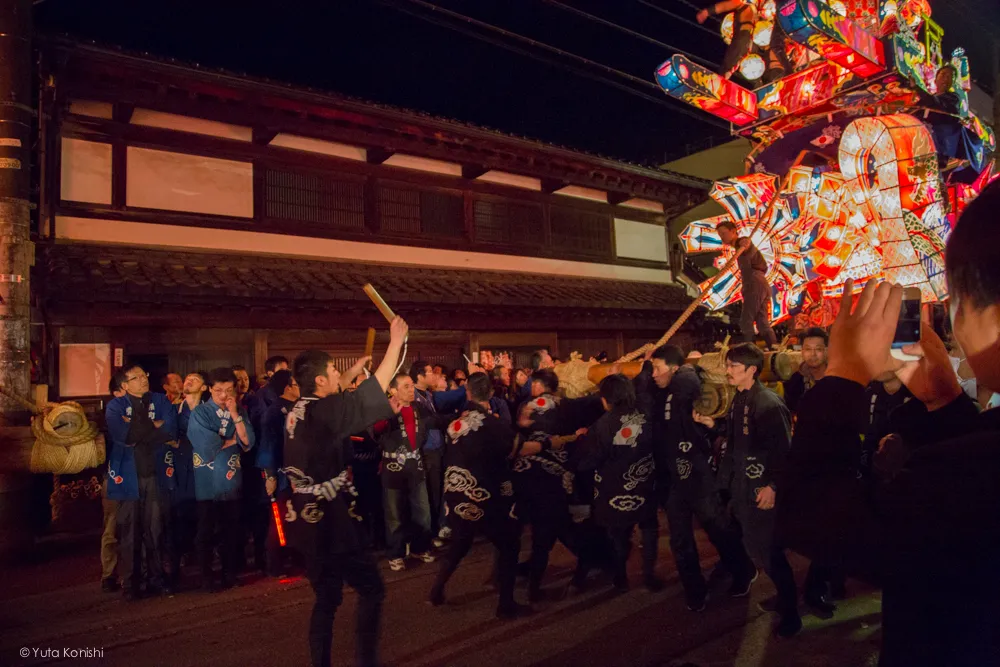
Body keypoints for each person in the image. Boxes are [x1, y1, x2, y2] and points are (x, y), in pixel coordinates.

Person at [778, 179, 1000, 666]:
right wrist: (944, 403)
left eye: (958, 303)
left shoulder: (970, 478)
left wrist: (844, 374)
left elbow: (809, 512)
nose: (955, 326)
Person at [281, 317, 408, 667]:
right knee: (372, 589)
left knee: (326, 597)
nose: (339, 377)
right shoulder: (325, 410)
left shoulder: (300, 409)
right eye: (333, 373)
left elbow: (339, 397)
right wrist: (395, 342)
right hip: (332, 520)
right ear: (320, 380)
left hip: (306, 516)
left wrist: (350, 373)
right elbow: (372, 393)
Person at [637, 345, 755, 610]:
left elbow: (697, 394)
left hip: (696, 473)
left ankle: (743, 571)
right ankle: (695, 592)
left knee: (717, 528)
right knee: (680, 538)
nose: (654, 374)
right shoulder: (663, 392)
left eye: (658, 368)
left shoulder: (687, 383)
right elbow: (644, 404)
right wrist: (646, 370)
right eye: (653, 368)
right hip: (673, 478)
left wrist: (686, 371)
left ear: (675, 368)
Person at [695, 343, 800, 637]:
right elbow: (736, 441)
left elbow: (784, 451)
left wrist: (773, 486)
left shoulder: (768, 403)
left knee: (770, 552)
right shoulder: (740, 399)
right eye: (727, 365)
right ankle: (783, 600)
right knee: (757, 548)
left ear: (752, 370)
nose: (727, 371)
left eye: (733, 367)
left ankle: (791, 613)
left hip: (760, 488)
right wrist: (711, 423)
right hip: (741, 487)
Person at [429, 372, 532, 619]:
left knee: (460, 543)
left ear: (468, 393)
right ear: (492, 394)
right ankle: (505, 604)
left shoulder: (458, 422)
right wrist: (549, 442)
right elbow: (517, 449)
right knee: (509, 543)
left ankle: (436, 590)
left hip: (455, 493)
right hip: (482, 494)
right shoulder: (493, 424)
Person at [570, 374, 659, 592]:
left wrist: (580, 440)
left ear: (605, 399)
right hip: (645, 485)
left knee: (618, 535)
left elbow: (585, 462)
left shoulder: (603, 426)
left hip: (613, 491)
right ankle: (649, 576)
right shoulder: (647, 416)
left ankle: (621, 578)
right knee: (649, 529)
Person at [105, 364, 178, 600]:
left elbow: (170, 431)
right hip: (128, 477)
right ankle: (131, 583)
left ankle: (157, 578)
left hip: (155, 474)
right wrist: (153, 426)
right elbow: (123, 435)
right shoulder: (116, 405)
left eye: (144, 375)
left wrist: (140, 428)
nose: (143, 380)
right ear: (125, 385)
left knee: (156, 529)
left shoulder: (160, 399)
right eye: (135, 378)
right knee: (129, 532)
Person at [188, 367, 256, 591]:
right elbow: (206, 445)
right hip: (206, 483)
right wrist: (231, 439)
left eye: (229, 390)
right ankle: (206, 577)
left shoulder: (240, 411)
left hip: (231, 480)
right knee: (205, 532)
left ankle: (230, 574)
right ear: (209, 389)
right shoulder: (200, 413)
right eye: (219, 390)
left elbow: (248, 442)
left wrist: (235, 415)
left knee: (232, 531)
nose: (224, 395)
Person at [376, 372, 442, 571]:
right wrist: (389, 415)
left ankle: (419, 548)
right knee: (394, 514)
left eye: (412, 385)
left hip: (415, 465)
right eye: (405, 386)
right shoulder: (383, 409)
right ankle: (395, 553)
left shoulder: (417, 407)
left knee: (422, 511)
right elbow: (375, 431)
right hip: (393, 467)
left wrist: (461, 417)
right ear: (392, 390)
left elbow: (435, 421)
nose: (411, 389)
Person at [256, 369, 299, 576]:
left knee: (299, 516)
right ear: (287, 387)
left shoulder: (300, 407)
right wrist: (270, 474)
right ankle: (276, 564)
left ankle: (299, 559)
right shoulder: (274, 412)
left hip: (300, 473)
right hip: (282, 473)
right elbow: (268, 444)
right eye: (296, 383)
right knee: (279, 519)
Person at [716, 220, 778, 347]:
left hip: (754, 282)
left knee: (746, 321)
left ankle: (749, 350)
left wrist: (745, 243)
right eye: (720, 234)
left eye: (723, 233)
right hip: (761, 283)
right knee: (762, 322)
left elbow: (746, 244)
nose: (722, 237)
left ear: (733, 231)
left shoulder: (741, 243)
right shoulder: (739, 247)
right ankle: (775, 347)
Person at [100, 370, 128, 593]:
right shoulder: (109, 415)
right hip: (116, 477)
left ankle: (135, 573)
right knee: (113, 527)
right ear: (117, 392)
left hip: (142, 476)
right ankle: (109, 574)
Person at [782, 328, 828, 414]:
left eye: (818, 349)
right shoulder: (795, 381)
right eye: (808, 349)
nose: (813, 354)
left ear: (826, 351)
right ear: (802, 352)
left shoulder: (837, 379)